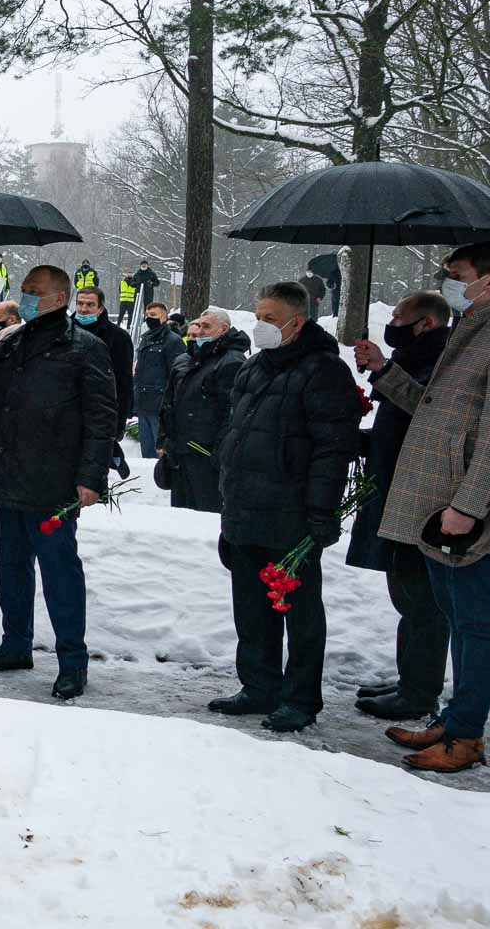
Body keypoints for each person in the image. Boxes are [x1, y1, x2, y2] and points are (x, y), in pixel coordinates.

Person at [355, 242, 490, 773]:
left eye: (457, 275)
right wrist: (385, 372)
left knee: (475, 622)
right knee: (454, 617)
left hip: (467, 511)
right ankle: (452, 716)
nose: (449, 283)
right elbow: (435, 412)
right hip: (434, 504)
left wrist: (466, 506)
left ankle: (466, 737)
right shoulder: (470, 334)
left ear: (489, 282)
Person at [0, 266, 118, 700]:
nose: (24, 297)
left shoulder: (84, 347)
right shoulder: (16, 342)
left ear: (59, 296)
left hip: (54, 480)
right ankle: (15, 644)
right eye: (22, 290)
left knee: (60, 571)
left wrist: (90, 476)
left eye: (33, 291)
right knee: (11, 566)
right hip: (10, 473)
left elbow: (102, 418)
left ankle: (72, 660)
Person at [212, 281, 362, 733]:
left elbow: (332, 450)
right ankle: (259, 686)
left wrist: (321, 515)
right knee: (251, 609)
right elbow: (236, 434)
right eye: (258, 316)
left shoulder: (323, 371)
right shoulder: (254, 367)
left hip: (291, 514)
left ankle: (300, 698)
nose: (261, 326)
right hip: (245, 510)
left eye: (271, 319)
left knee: (298, 612)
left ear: (298, 322)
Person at [346, 292, 453, 722]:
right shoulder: (413, 356)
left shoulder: (443, 358)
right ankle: (410, 679)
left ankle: (420, 692)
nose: (392, 322)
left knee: (421, 599)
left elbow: (427, 410)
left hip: (421, 494)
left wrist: (383, 368)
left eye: (398, 316)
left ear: (425, 323)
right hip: (392, 486)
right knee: (405, 592)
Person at [157, 308, 247, 513]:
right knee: (181, 515)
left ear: (223, 329)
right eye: (199, 325)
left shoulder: (231, 361)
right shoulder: (188, 359)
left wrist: (219, 453)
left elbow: (232, 413)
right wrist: (164, 440)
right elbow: (170, 402)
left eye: (207, 327)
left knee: (205, 516)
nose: (200, 331)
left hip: (206, 456)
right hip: (180, 453)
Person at [73, 287, 133, 443]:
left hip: (100, 416)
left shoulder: (118, 337)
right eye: (80, 304)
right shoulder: (64, 331)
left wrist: (118, 425)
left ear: (100, 308)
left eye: (90, 304)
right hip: (66, 415)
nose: (83, 309)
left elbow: (123, 382)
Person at [132, 301, 185, 458]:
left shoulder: (173, 341)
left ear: (164, 317)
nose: (149, 318)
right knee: (146, 455)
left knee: (160, 455)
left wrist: (170, 404)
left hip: (160, 406)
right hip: (143, 404)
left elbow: (177, 375)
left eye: (153, 315)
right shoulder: (146, 339)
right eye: (147, 315)